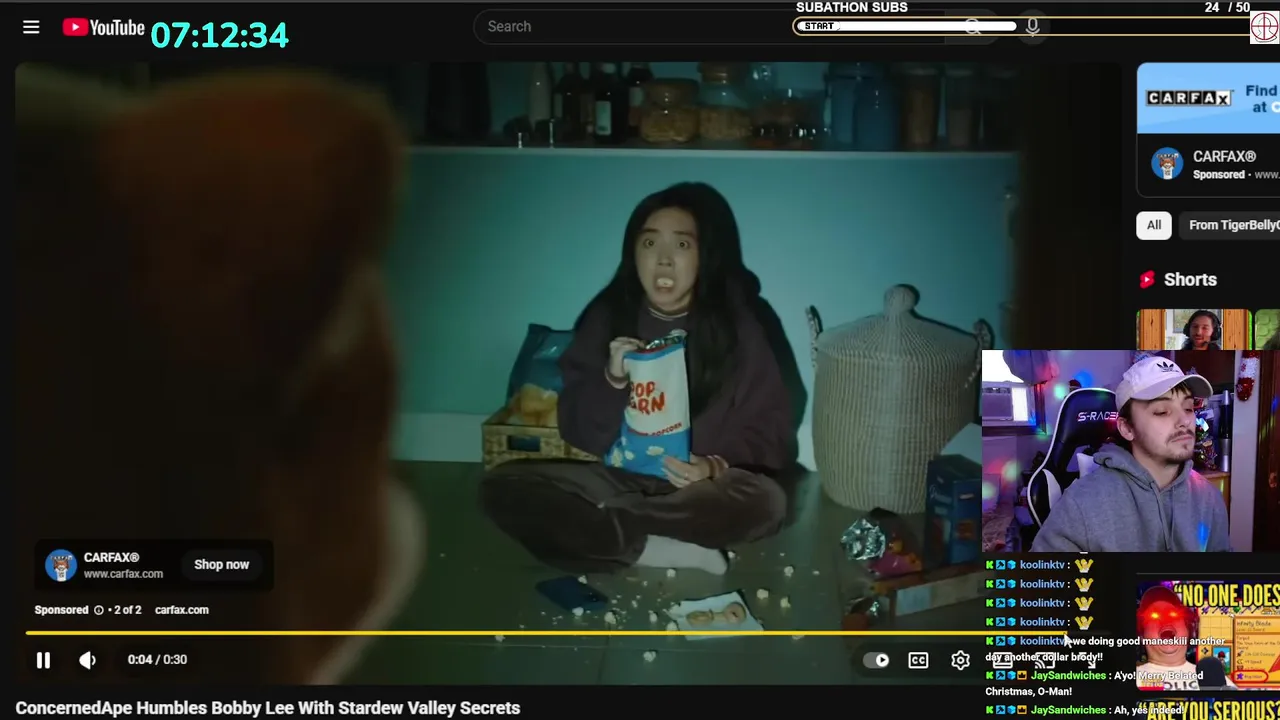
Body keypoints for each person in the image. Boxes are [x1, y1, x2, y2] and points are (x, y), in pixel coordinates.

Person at [481, 183, 791, 575]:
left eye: (682, 245)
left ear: (704, 255)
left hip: (700, 488)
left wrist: (712, 466)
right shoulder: (607, 316)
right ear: (633, 254)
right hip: (618, 478)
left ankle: (609, 531)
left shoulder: (739, 325)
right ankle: (654, 547)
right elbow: (578, 432)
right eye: (649, 244)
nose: (664, 260)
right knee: (500, 488)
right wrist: (611, 379)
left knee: (768, 502)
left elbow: (771, 428)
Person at [1031, 356, 1231, 552]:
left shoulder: (1209, 498)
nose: (1185, 421)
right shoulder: (1081, 504)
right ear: (1127, 428)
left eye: (1188, 408)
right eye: (1162, 411)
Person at [1135, 585, 1235, 690]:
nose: (1165, 621)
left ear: (1188, 631)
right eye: (1155, 616)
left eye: (1173, 615)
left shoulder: (1213, 678)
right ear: (1142, 635)